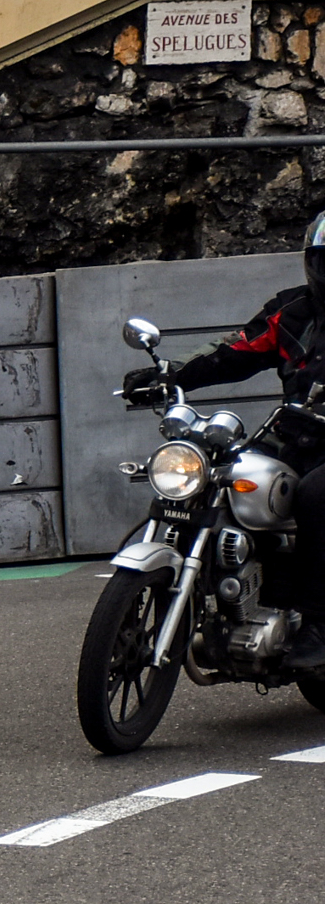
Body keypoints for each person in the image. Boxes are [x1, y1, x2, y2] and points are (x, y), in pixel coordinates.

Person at [123, 209, 325, 672]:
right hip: (295, 433)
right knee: (224, 474)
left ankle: (320, 623)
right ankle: (235, 595)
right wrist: (169, 374)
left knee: (317, 496)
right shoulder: (293, 310)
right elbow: (233, 351)